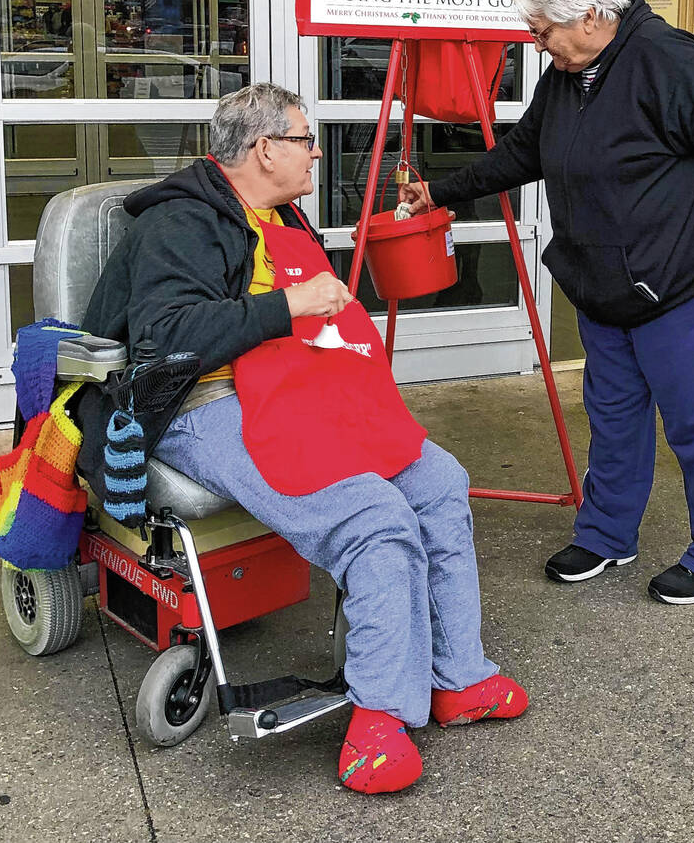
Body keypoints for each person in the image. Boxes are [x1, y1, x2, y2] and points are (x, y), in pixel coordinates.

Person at [80, 83, 527, 795]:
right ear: (264, 149)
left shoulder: (279, 214)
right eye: (305, 139)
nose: (317, 151)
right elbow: (168, 337)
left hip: (298, 387)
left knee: (437, 480)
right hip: (202, 401)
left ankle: (456, 676)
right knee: (373, 518)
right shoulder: (182, 223)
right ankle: (380, 716)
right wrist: (289, 303)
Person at [400, 0, 694, 606]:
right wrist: (442, 192)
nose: (538, 47)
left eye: (543, 32)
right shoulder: (569, 74)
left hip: (685, 282)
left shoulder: (662, 57)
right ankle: (606, 533)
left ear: (591, 16)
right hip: (603, 285)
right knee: (614, 420)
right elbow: (524, 150)